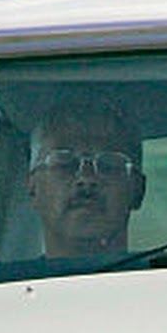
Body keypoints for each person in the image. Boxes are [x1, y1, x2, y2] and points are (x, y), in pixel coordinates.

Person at [26, 104, 146, 258]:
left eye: (109, 165)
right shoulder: (2, 282)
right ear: (32, 188)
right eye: (64, 163)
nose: (87, 178)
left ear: (138, 191)